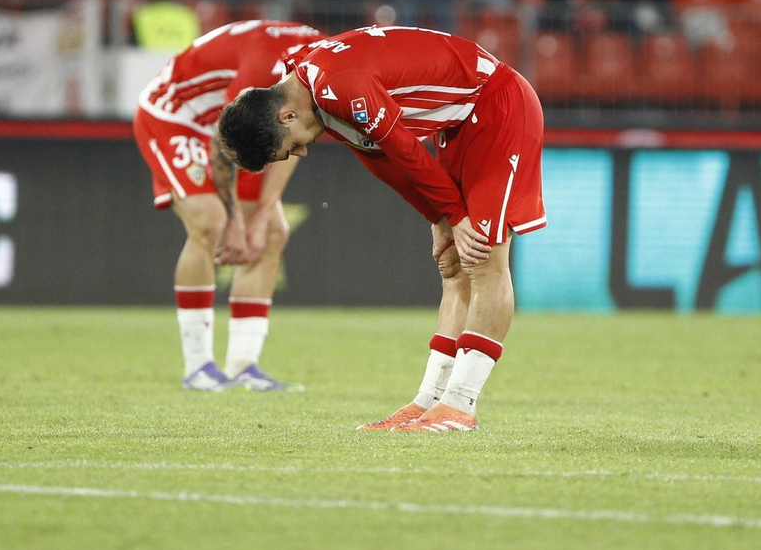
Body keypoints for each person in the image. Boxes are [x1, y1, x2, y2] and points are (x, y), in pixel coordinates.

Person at [217, 26, 547, 432]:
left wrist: (455, 216)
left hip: (498, 106)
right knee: (455, 268)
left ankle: (460, 405)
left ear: (287, 115)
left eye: (292, 146)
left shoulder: (338, 86)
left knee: (483, 258)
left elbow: (405, 150)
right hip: (460, 123)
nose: (302, 152)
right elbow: (381, 160)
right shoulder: (312, 89)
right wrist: (440, 218)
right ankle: (429, 401)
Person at [136, 19, 326, 390]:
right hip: (177, 117)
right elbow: (226, 140)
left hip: (229, 128)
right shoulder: (265, 71)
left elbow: (297, 142)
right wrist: (237, 219)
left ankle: (243, 367)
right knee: (211, 221)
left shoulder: (322, 76)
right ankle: (198, 366)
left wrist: (264, 212)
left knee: (271, 231)